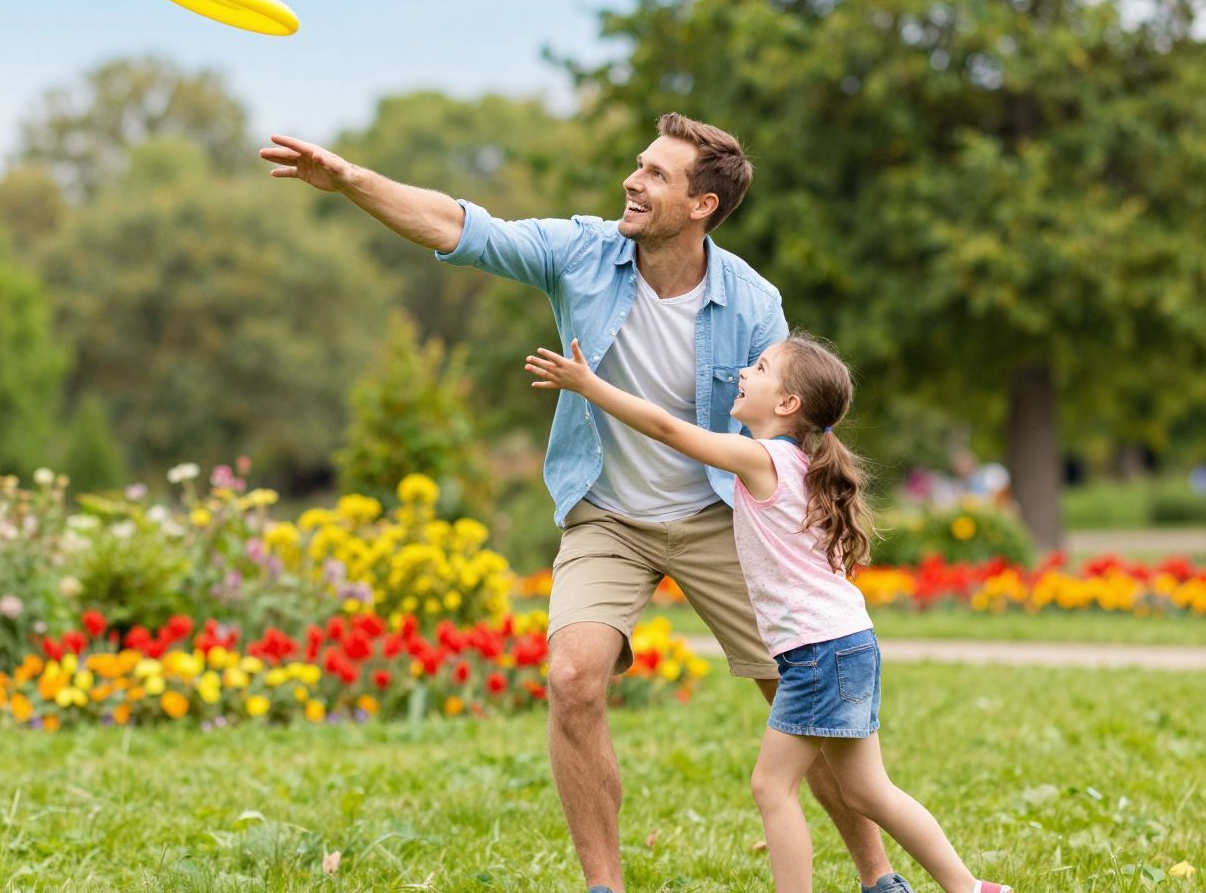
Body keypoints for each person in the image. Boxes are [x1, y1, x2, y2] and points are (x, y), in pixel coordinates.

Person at [262, 116, 915, 893]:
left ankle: (880, 879)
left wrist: (819, 530)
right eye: (638, 166)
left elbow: (795, 427)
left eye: (656, 175)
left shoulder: (751, 303)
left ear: (702, 205)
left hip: (719, 517)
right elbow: (465, 227)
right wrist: (353, 181)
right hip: (608, 513)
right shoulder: (583, 253)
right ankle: (604, 888)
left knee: (804, 696)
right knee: (574, 678)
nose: (633, 183)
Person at [525, 333, 1012, 893]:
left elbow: (667, 429)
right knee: (870, 791)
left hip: (817, 653)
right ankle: (972, 889)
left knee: (771, 787)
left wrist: (588, 385)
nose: (741, 373)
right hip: (851, 643)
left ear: (787, 405)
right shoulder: (805, 461)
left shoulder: (763, 459)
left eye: (758, 368)